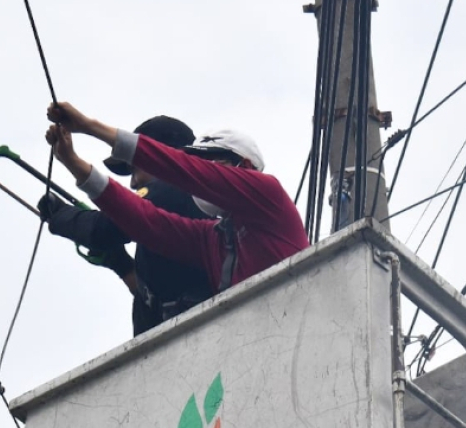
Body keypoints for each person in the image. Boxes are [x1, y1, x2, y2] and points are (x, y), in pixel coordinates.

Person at [45, 102, 309, 295]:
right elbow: (148, 222)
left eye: (211, 162)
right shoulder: (215, 240)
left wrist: (89, 126)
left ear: (246, 166)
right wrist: (74, 164)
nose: (202, 169)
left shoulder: (268, 195)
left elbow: (185, 171)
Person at [38, 116, 213, 335]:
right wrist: (121, 264)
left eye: (136, 168)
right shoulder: (178, 204)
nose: (132, 182)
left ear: (163, 155)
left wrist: (61, 215)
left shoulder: (176, 189)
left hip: (194, 336)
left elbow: (101, 230)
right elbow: (155, 298)